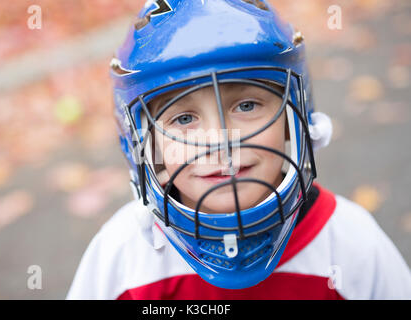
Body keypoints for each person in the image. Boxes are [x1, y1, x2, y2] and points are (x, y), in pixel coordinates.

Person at [67, 0, 411, 299]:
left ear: (296, 114)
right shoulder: (122, 256)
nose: (219, 140)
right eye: (184, 118)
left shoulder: (351, 244)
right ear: (142, 142)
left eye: (246, 106)